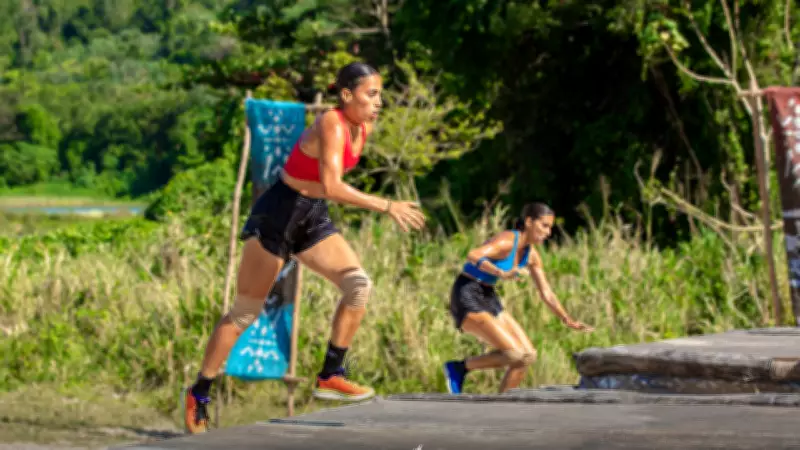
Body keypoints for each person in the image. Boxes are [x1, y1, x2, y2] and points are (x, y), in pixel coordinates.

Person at [182, 62, 426, 434]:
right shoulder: (331, 122)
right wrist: (387, 205)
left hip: (311, 214)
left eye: (380, 94)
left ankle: (331, 373)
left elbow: (323, 192)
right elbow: (332, 185)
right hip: (278, 213)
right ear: (346, 95)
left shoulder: (364, 127)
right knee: (245, 312)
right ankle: (199, 391)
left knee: (358, 285)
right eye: (371, 94)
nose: (379, 102)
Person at [442, 202, 593, 395]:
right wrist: (500, 273)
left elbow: (546, 292)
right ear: (529, 222)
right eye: (544, 226)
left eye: (550, 228)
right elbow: (473, 255)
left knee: (527, 356)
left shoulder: (531, 255)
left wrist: (567, 319)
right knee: (513, 354)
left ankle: (503, 405)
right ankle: (459, 368)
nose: (548, 233)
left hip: (489, 296)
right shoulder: (506, 242)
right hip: (467, 293)